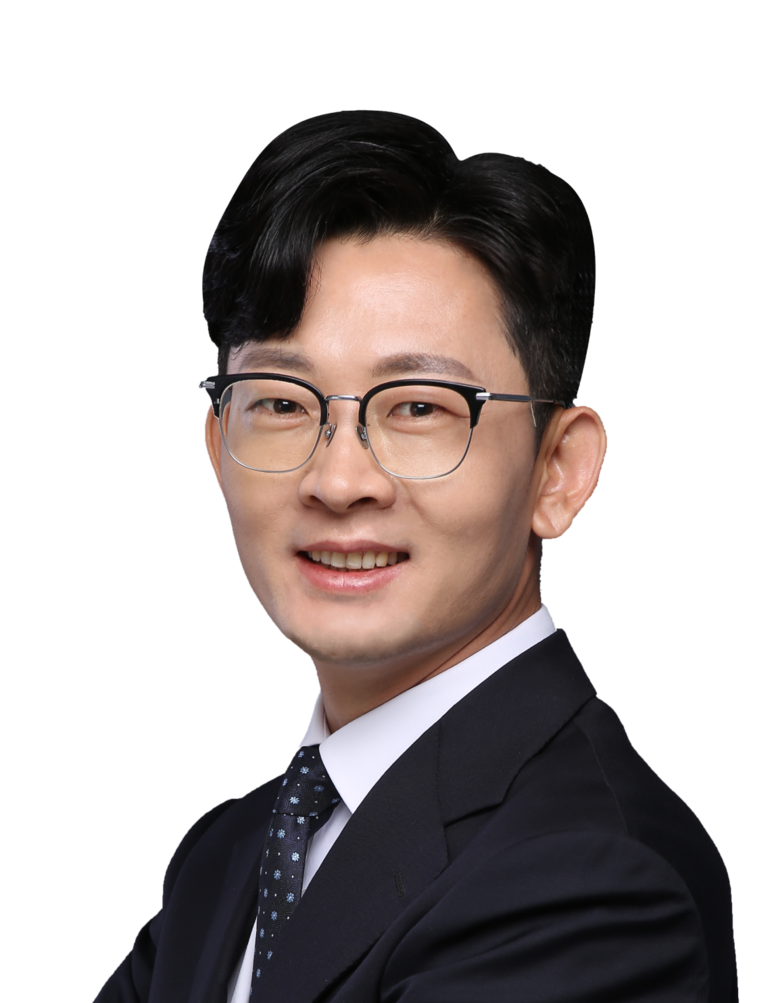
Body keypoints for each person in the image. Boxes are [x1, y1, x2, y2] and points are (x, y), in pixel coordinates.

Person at [95, 110, 738, 1002]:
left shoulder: (592, 882)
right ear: (219, 445)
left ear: (558, 469)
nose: (338, 479)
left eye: (419, 407)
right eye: (280, 402)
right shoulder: (227, 861)